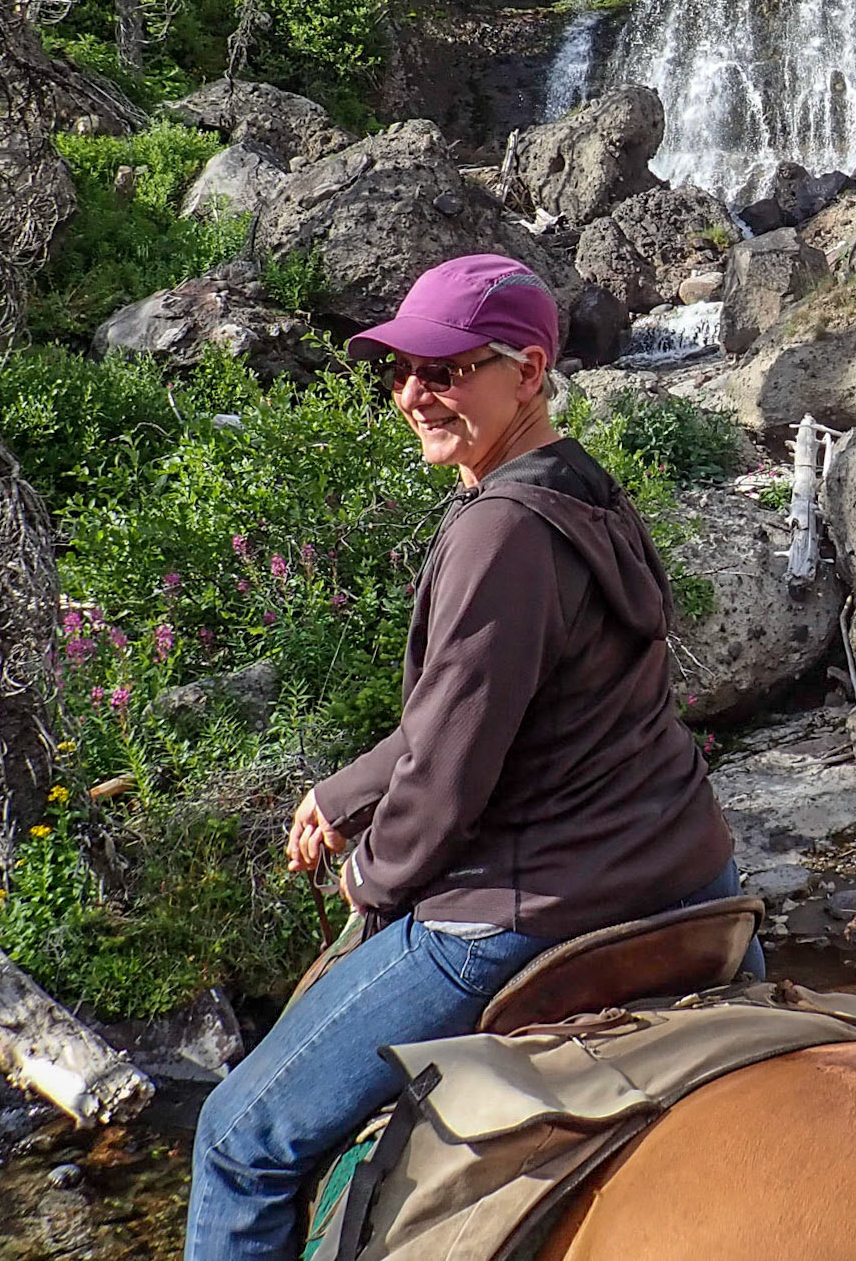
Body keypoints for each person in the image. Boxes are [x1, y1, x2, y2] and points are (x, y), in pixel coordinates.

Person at [185, 253, 760, 1261]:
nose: (415, 393)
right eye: (402, 369)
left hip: (534, 904)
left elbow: (449, 774)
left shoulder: (497, 531)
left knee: (239, 1138)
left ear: (527, 370)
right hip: (684, 868)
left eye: (449, 370)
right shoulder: (580, 486)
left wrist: (372, 873)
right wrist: (346, 789)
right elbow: (482, 701)